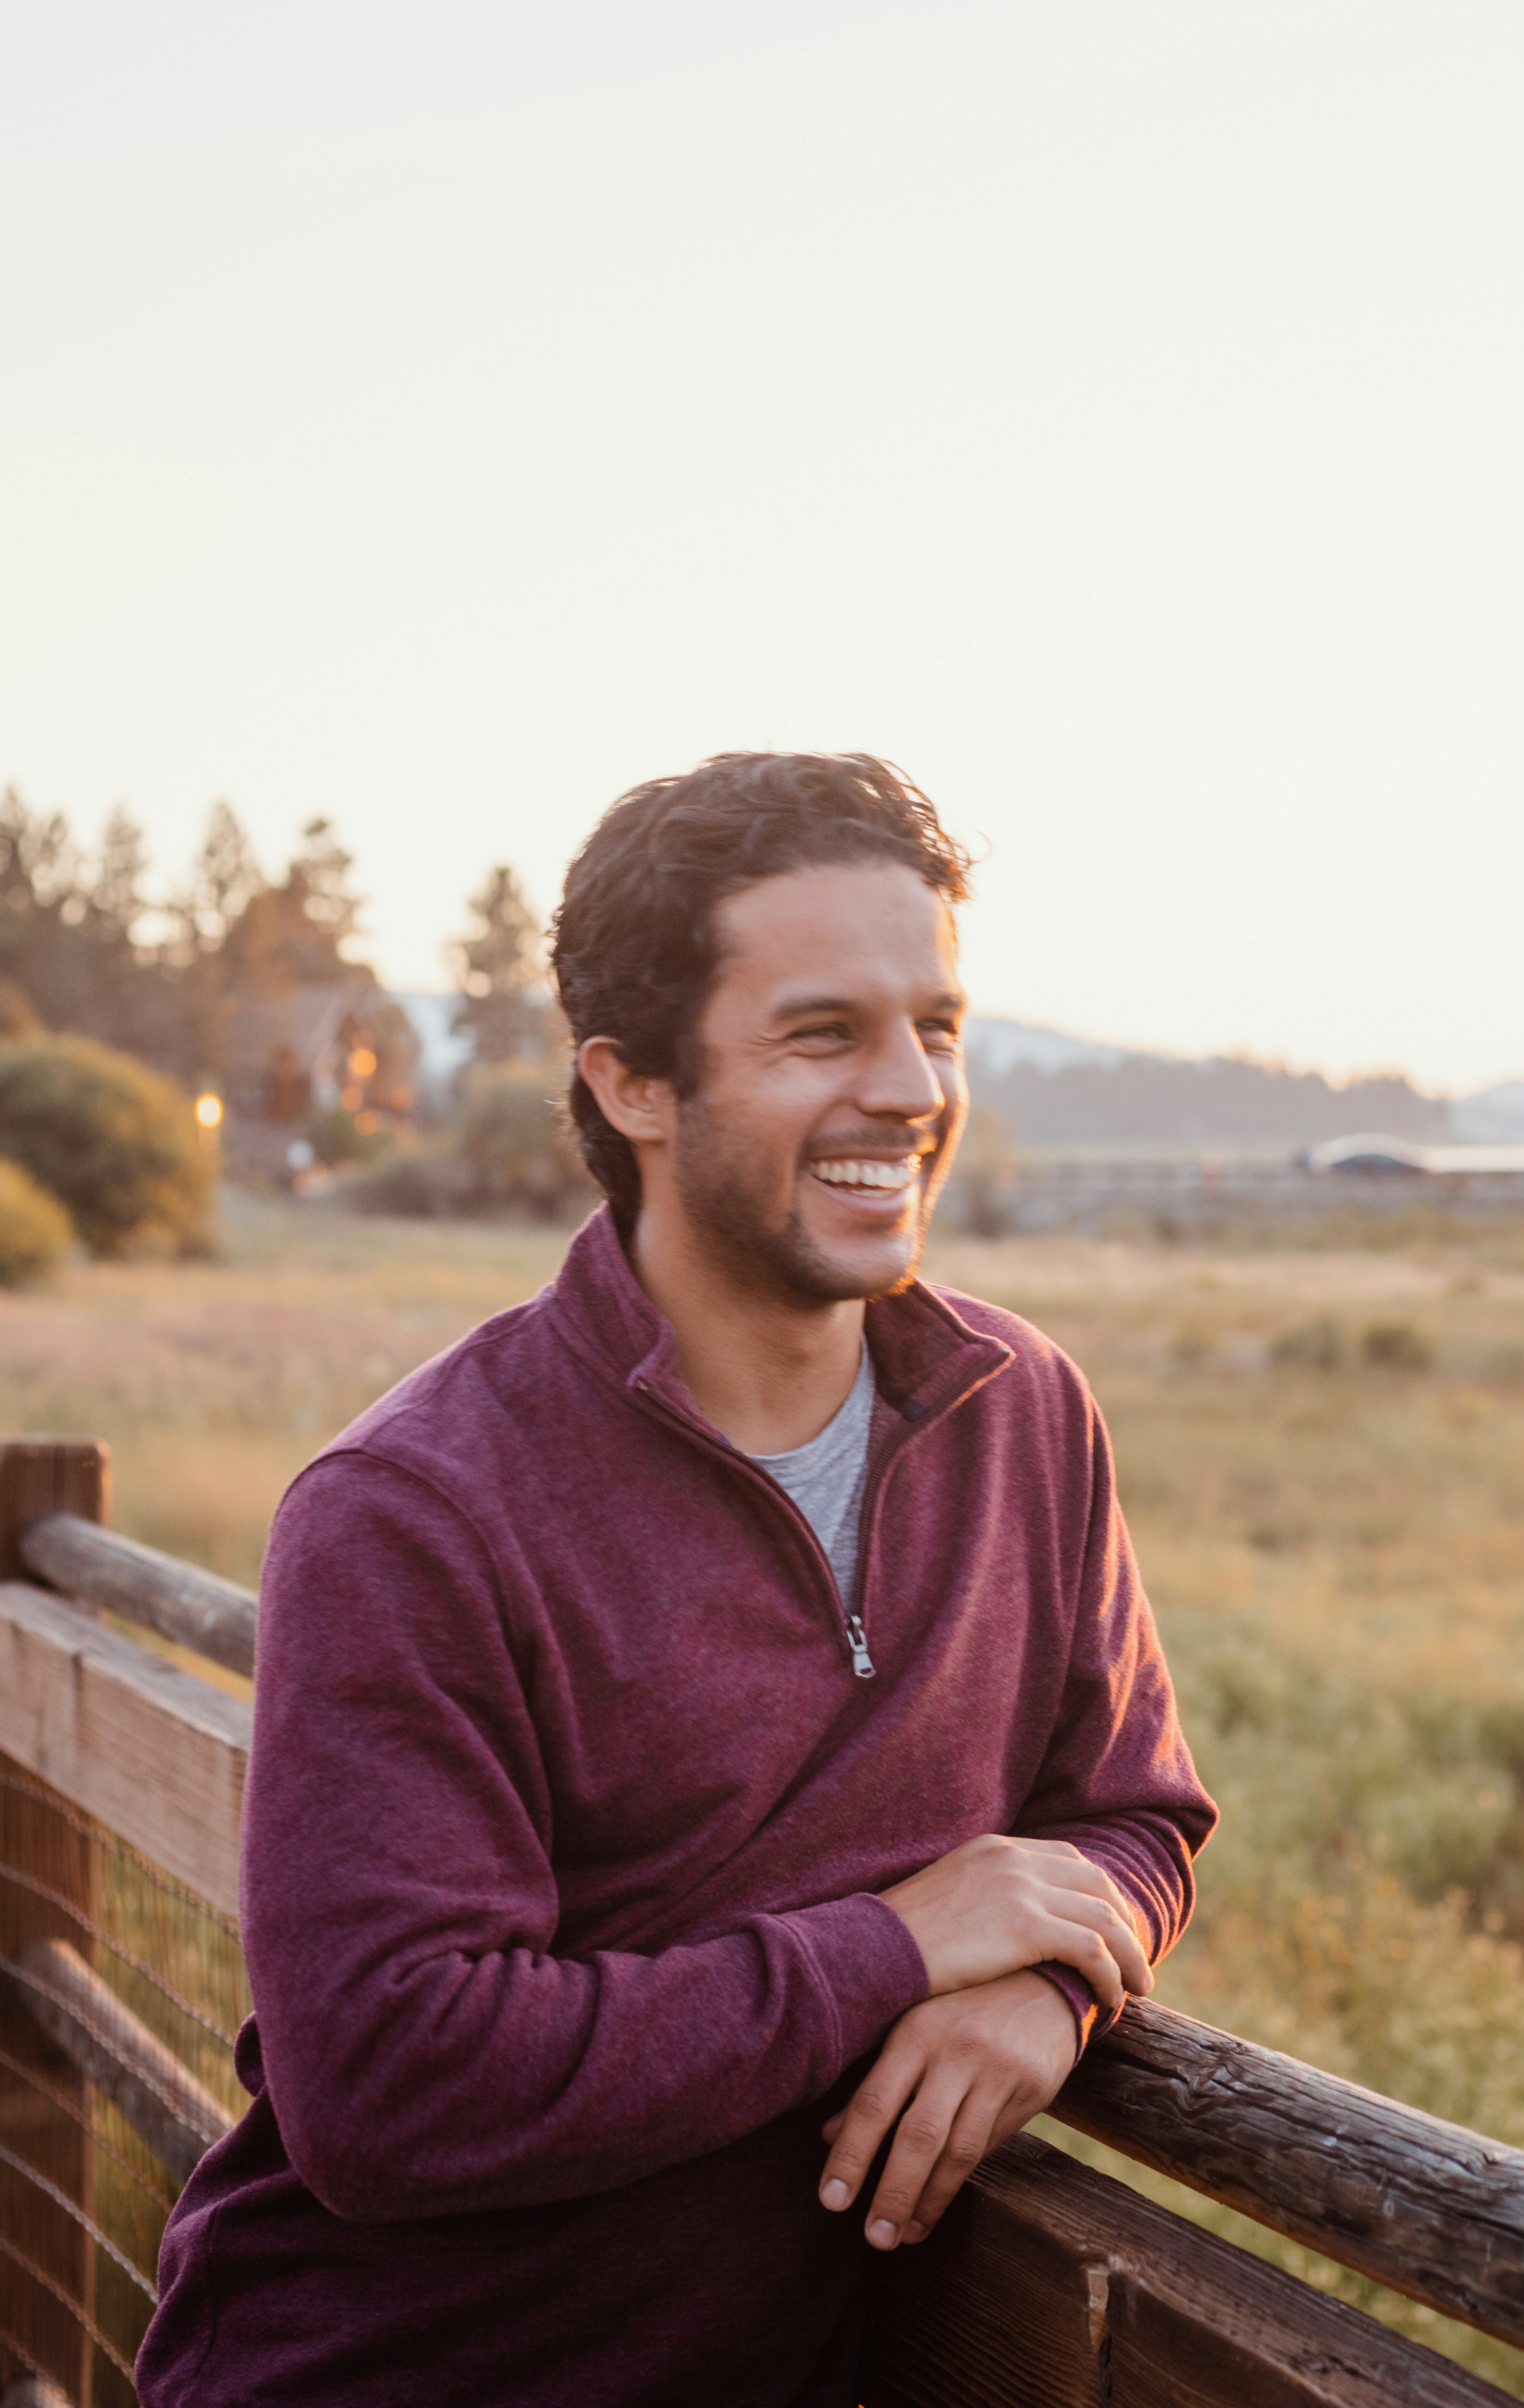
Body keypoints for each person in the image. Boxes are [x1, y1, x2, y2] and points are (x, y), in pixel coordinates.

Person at [139, 755, 1216, 2408]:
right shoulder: (413, 1510)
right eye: (821, 1034)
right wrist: (899, 1947)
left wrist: (1055, 1985)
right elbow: (390, 2084)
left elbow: (1134, 1812)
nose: (911, 1088)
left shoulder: (1027, 1416)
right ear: (634, 1084)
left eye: (936, 1023)